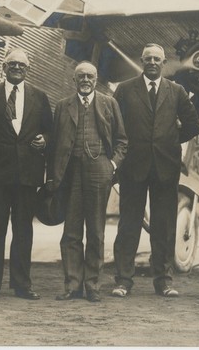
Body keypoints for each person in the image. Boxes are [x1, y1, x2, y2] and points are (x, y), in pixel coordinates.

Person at [111, 43, 199, 298]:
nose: (152, 62)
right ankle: (123, 281)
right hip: (133, 167)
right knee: (128, 225)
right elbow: (114, 125)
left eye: (156, 59)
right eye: (147, 58)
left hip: (165, 167)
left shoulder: (177, 91)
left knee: (163, 226)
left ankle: (163, 280)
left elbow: (192, 125)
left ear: (164, 63)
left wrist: (171, 140)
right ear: (141, 61)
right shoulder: (125, 89)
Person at [0, 48, 53, 301]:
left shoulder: (39, 97)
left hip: (27, 176)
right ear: (3, 68)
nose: (17, 68)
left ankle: (22, 285)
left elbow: (50, 131)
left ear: (28, 69)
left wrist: (45, 140)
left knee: (23, 230)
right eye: (12, 64)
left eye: (22, 65)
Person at [47, 61, 127, 302]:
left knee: (96, 230)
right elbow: (55, 144)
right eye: (80, 76)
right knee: (71, 231)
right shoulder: (63, 106)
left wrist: (111, 165)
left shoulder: (109, 103)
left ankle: (92, 285)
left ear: (96, 79)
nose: (85, 80)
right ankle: (72, 285)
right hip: (70, 173)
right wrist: (53, 175)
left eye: (89, 76)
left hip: (99, 171)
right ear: (74, 80)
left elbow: (122, 140)